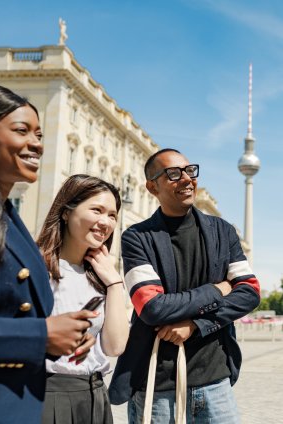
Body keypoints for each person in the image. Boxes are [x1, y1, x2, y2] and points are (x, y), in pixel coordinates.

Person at [0, 84, 96, 424]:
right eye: (21, 131)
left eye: (39, 133)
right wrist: (40, 336)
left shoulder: (5, 215)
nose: (37, 143)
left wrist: (61, 336)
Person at [109, 148, 260, 423]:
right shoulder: (137, 237)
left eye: (190, 171)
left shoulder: (222, 231)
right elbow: (152, 308)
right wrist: (218, 290)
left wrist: (195, 326)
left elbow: (249, 292)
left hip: (215, 381)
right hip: (156, 385)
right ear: (152, 186)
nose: (187, 179)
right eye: (174, 174)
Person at [37, 174, 129, 424]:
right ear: (66, 212)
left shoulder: (100, 275)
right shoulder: (37, 268)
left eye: (112, 215)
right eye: (96, 210)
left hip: (95, 394)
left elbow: (115, 347)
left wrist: (114, 283)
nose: (105, 222)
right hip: (50, 393)